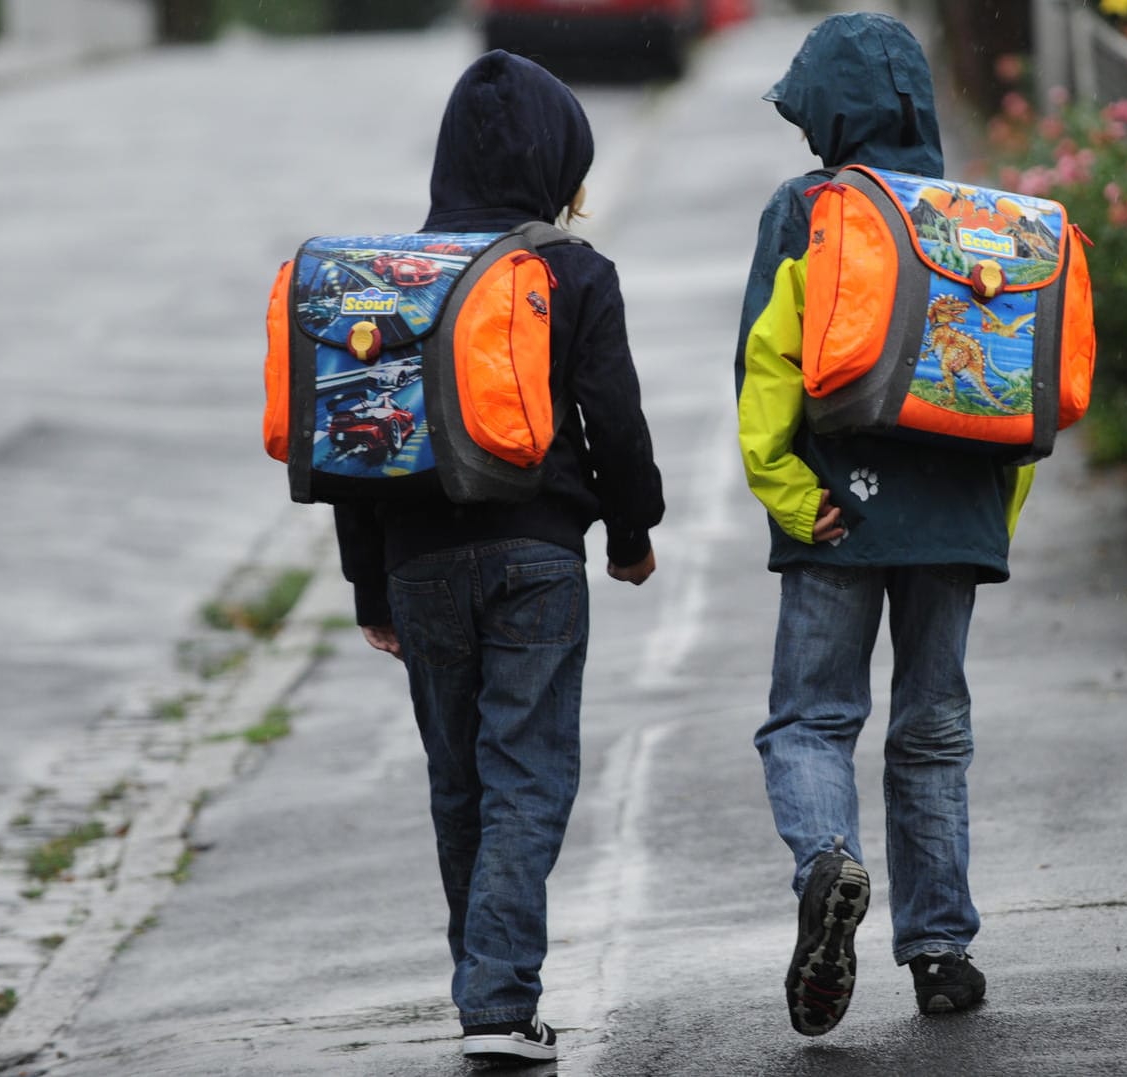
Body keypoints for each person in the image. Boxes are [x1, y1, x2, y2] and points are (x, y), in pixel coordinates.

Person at [335, 50, 664, 1066]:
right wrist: (630, 531)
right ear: (561, 161)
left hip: (421, 564)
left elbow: (356, 442)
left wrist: (367, 585)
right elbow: (614, 418)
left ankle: (485, 990)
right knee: (527, 776)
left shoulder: (391, 281)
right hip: (537, 556)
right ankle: (498, 999)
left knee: (458, 785)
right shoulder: (572, 271)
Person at [734, 12, 1034, 1036]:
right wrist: (991, 516)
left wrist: (783, 488)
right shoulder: (979, 217)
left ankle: (828, 862)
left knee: (812, 717)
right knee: (933, 732)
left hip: (836, 509)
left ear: (831, 112)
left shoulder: (810, 208)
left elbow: (769, 360)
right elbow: (1022, 396)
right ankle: (942, 950)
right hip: (957, 514)